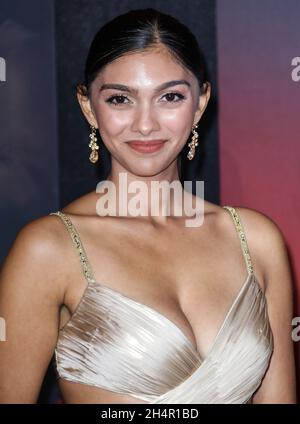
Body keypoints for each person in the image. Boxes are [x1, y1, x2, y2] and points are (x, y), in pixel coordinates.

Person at [0, 8, 296, 404]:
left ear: (200, 103)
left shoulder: (256, 240)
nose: (145, 124)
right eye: (120, 99)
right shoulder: (48, 249)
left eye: (170, 97)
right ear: (89, 107)